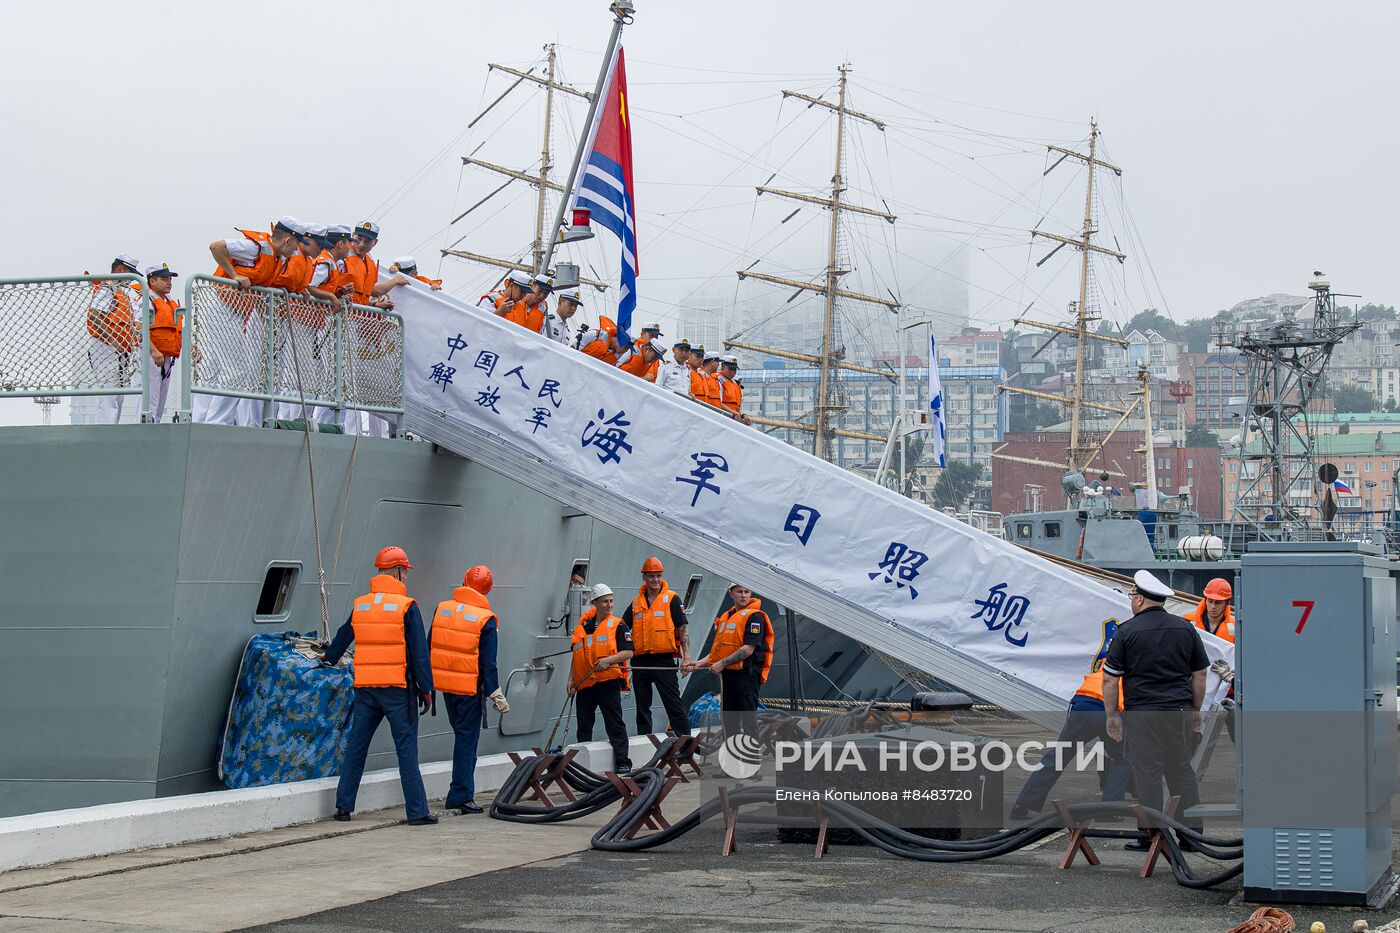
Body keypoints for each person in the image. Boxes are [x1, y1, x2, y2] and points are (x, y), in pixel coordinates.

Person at [322, 546, 437, 825]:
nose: (406, 577)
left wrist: (328, 658)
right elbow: (419, 652)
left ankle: (344, 807)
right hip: (398, 690)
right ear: (397, 572)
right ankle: (417, 812)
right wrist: (426, 689)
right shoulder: (407, 606)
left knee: (357, 747)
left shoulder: (362, 604)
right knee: (406, 749)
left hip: (366, 689)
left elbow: (342, 636)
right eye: (405, 572)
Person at [1102, 569, 1208, 851]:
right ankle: (1192, 835)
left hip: (1143, 713)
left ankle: (1151, 835)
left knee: (1147, 772)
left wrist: (1112, 715)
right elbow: (1199, 674)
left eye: (1132, 595)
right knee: (1181, 770)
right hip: (1179, 711)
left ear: (1139, 600)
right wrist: (1196, 710)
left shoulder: (1127, 631)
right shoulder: (1186, 628)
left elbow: (1111, 678)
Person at [199, 218, 302, 426]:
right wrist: (234, 273)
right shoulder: (258, 247)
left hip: (236, 311)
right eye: (297, 246)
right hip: (221, 305)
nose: (297, 251)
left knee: (234, 371)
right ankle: (216, 424)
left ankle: (217, 422)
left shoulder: (275, 258)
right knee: (234, 370)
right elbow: (215, 246)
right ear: (288, 241)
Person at [1008, 655, 1132, 820]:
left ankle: (1023, 803)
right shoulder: (1139, 663)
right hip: (1107, 709)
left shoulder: (1111, 658)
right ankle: (1108, 810)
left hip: (1082, 703)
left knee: (1058, 756)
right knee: (1122, 759)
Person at [430, 564, 510, 815]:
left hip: (445, 687)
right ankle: (461, 795)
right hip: (469, 689)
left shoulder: (443, 609)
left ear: (463, 582)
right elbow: (489, 662)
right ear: (488, 590)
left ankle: (460, 791)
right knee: (466, 741)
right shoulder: (485, 619)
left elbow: (430, 644)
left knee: (460, 736)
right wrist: (495, 692)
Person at [685, 584, 773, 736]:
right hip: (729, 677)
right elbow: (718, 651)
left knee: (748, 721)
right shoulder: (726, 617)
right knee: (729, 721)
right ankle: (731, 757)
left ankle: (750, 758)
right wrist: (700, 663)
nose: (744, 595)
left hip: (747, 676)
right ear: (731, 594)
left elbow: (748, 649)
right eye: (739, 592)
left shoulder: (755, 617)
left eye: (747, 592)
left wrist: (722, 663)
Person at [619, 558, 692, 737]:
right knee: (642, 706)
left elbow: (683, 629)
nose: (655, 580)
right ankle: (645, 742)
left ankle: (687, 744)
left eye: (658, 576)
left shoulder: (672, 599)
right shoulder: (636, 604)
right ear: (644, 577)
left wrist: (687, 657)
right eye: (651, 576)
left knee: (673, 703)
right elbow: (621, 627)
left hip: (664, 660)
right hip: (640, 661)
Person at [569, 583, 634, 771]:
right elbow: (576, 656)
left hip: (607, 681)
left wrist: (609, 660)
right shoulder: (582, 628)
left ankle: (623, 762)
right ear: (595, 603)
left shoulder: (618, 625)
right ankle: (583, 764)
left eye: (611, 601)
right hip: (585, 684)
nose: (609, 605)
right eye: (605, 601)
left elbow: (628, 652)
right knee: (584, 724)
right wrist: (571, 680)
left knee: (614, 722)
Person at [86, 253, 142, 424]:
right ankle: (105, 434)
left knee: (118, 396)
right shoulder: (108, 288)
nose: (130, 279)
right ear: (119, 270)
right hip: (106, 348)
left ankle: (112, 430)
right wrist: (112, 339)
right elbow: (95, 314)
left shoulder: (120, 293)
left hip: (119, 351)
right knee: (109, 395)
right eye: (129, 272)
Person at [1186, 577, 1237, 742]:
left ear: (1227, 603)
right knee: (1190, 739)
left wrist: (1233, 677)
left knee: (1241, 736)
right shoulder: (1188, 621)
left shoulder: (1236, 628)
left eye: (1218, 602)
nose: (1213, 607)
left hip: (1227, 692)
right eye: (1210, 601)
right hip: (1194, 689)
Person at [144, 263, 183, 423]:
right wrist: (153, 351)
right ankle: (144, 434)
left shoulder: (168, 302)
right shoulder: (146, 298)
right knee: (149, 402)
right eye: (164, 279)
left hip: (166, 357)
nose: (169, 282)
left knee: (160, 403)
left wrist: (191, 347)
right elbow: (139, 327)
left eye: (170, 279)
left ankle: (155, 434)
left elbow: (177, 329)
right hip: (150, 355)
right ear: (152, 281)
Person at [716, 355, 752, 425]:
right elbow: (717, 403)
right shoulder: (718, 380)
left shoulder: (734, 383)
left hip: (733, 420)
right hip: (722, 419)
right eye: (730, 368)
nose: (732, 371)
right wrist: (734, 413)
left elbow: (735, 407)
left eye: (734, 369)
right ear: (723, 367)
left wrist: (742, 415)